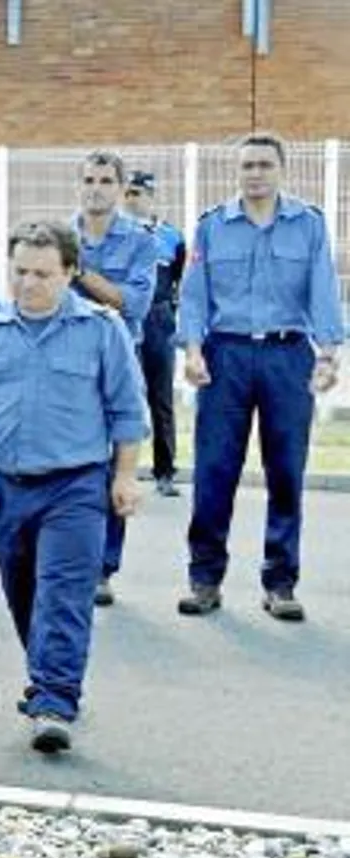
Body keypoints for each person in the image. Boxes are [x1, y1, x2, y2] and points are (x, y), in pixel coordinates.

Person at [0, 221, 149, 755]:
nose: (29, 283)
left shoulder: (102, 329)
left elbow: (127, 410)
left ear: (71, 273)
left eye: (43, 273)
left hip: (75, 486)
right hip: (6, 484)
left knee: (63, 592)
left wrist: (124, 476)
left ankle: (54, 700)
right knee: (23, 592)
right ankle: (47, 674)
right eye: (20, 272)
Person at [176, 132, 343, 622]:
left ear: (281, 170)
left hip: (287, 356)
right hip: (224, 356)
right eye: (247, 165)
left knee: (287, 471)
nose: (255, 174)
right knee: (214, 471)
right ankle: (204, 579)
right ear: (237, 171)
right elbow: (194, 295)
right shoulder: (213, 227)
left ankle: (281, 582)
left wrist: (329, 355)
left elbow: (323, 291)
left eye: (264, 165)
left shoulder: (308, 225)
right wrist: (191, 351)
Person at [70, 151, 158, 607]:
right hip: (65, 363)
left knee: (114, 465)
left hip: (118, 362)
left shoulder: (141, 240)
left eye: (106, 180)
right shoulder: (60, 236)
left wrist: (79, 272)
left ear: (121, 189)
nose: (96, 188)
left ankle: (103, 567)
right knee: (69, 463)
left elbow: (135, 304)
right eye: (89, 179)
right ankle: (65, 558)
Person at [124, 171, 187, 497]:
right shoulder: (119, 235)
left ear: (152, 196)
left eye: (138, 193)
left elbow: (177, 276)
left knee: (160, 397)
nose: (132, 199)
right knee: (125, 395)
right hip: (127, 317)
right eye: (128, 194)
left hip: (159, 318)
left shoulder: (172, 237)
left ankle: (165, 471)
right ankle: (122, 471)